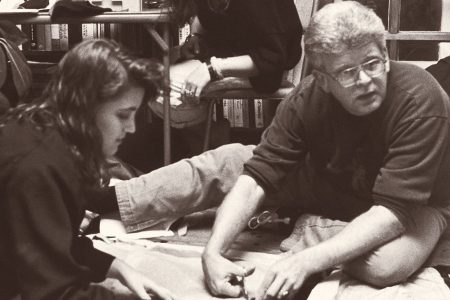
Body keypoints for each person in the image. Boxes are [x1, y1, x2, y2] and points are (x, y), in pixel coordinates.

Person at [197, 1, 450, 299]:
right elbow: (257, 178)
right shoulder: (306, 97)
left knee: (385, 265)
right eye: (347, 72)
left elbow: (394, 211)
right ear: (322, 80)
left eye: (372, 63)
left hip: (419, 204)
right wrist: (211, 254)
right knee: (227, 162)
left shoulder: (420, 98)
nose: (366, 81)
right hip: (344, 188)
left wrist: (307, 260)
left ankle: (315, 230)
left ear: (385, 55)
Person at [0, 39, 175, 300]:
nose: (132, 128)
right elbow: (56, 293)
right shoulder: (37, 166)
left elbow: (56, 242)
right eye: (123, 115)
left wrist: (119, 268)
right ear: (85, 106)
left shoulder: (50, 135)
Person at [171, 0, 303, 103]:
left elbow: (273, 57)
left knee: (167, 84)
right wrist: (196, 36)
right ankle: (212, 133)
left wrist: (212, 70)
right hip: (232, 49)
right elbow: (203, 12)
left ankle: (205, 136)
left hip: (268, 69)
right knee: (164, 62)